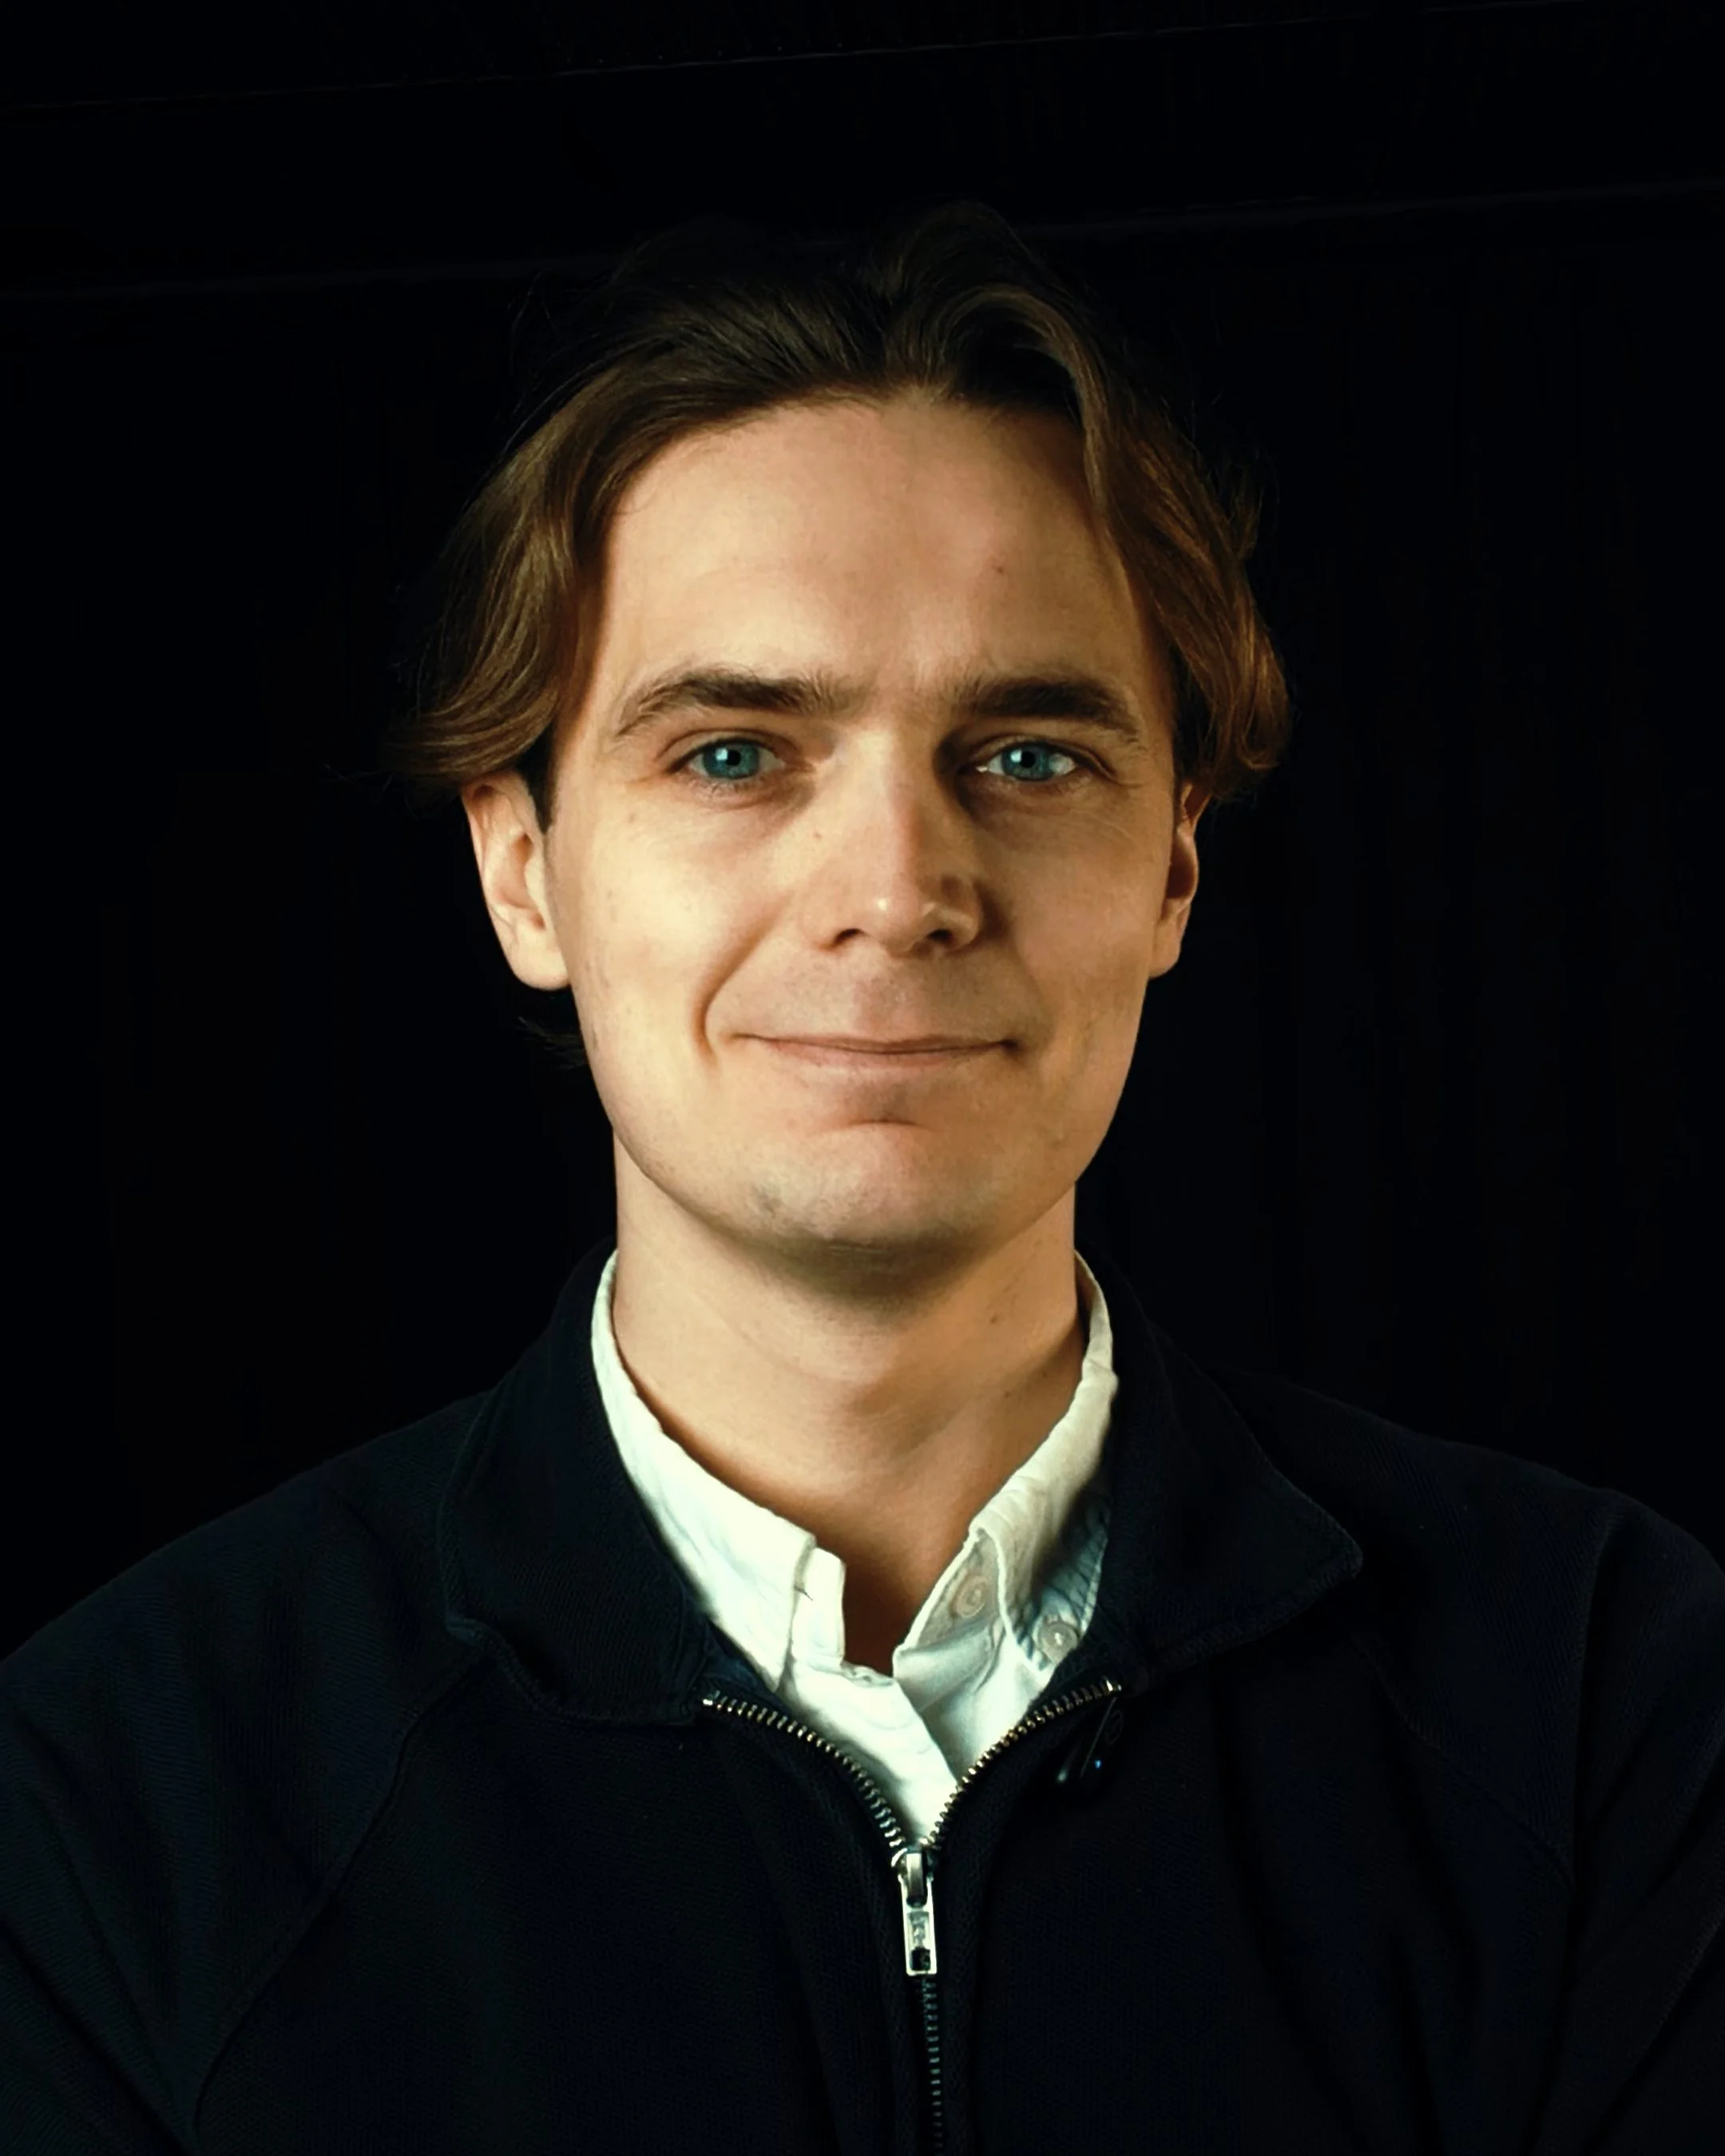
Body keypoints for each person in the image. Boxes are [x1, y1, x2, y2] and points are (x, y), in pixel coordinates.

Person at [3, 201, 1719, 2155]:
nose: (899, 892)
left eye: (1027, 755)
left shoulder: (1603, 1706)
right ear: (523, 869)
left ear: (1175, 864)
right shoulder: (116, 1799)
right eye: (736, 755)